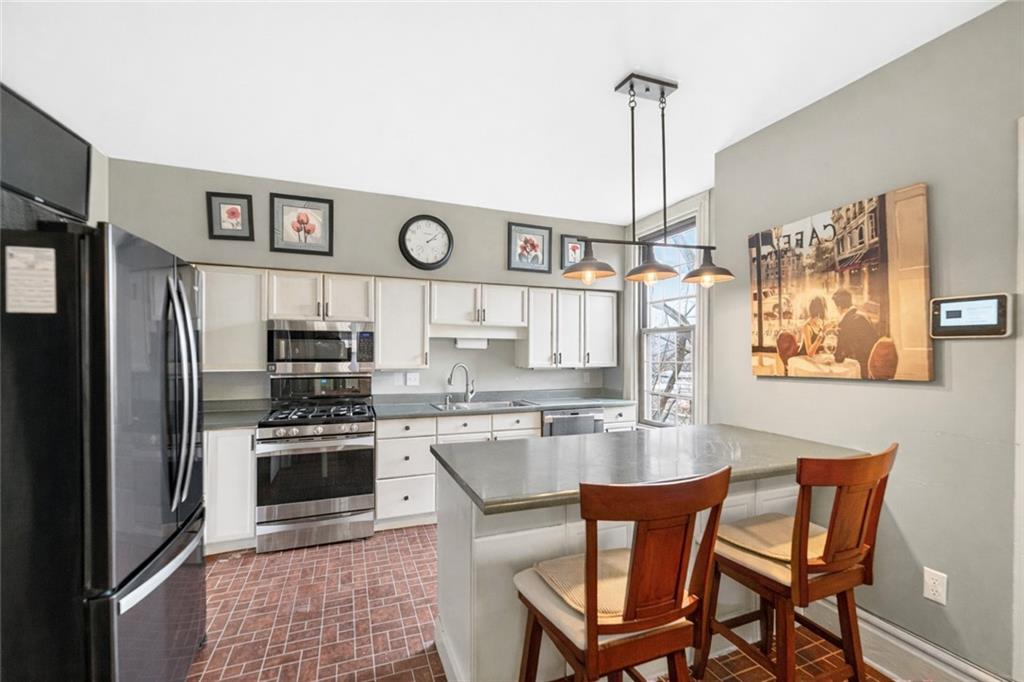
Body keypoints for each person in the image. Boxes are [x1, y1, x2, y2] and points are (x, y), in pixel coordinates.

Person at [831, 288, 880, 379]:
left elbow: (839, 356)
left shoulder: (845, 322)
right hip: (872, 363)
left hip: (860, 366)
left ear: (839, 307)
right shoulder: (862, 315)